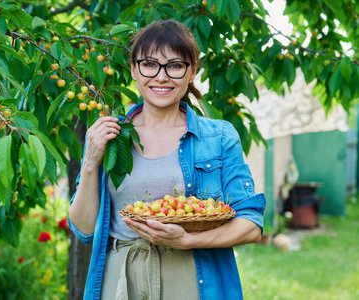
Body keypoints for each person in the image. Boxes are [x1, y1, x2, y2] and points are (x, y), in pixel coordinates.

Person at [68, 19, 266, 300]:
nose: (161, 77)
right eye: (149, 64)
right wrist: (89, 163)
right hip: (121, 278)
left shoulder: (219, 137)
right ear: (134, 69)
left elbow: (251, 225)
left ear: (192, 72)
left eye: (175, 66)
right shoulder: (111, 136)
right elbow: (83, 229)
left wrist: (188, 240)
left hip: (192, 275)